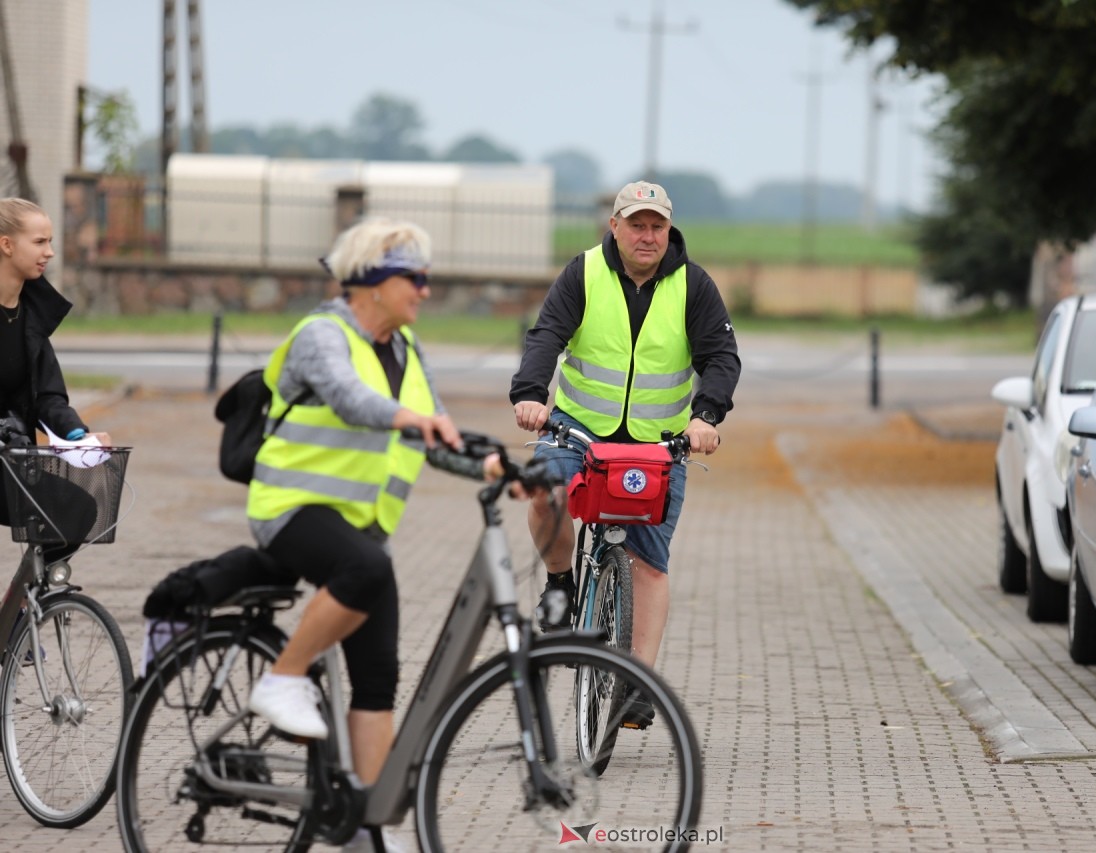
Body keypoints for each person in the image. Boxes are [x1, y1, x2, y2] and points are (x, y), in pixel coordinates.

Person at [244, 218, 505, 853]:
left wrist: (497, 469)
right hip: (291, 508)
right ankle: (282, 677)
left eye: (426, 278)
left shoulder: (408, 352)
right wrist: (412, 417)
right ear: (370, 282)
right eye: (413, 278)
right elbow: (349, 400)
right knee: (368, 570)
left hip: (360, 528)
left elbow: (433, 435)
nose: (425, 291)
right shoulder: (321, 334)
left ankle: (366, 830)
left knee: (379, 679)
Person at [510, 180, 741, 722]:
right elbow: (547, 336)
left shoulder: (693, 286)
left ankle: (639, 684)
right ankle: (561, 585)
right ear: (614, 226)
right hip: (579, 430)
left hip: (658, 445)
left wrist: (706, 416)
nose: (647, 235)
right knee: (543, 490)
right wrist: (529, 395)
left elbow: (721, 357)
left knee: (649, 564)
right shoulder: (583, 273)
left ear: (669, 231)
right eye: (636, 224)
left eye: (657, 226)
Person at [0, 197, 112, 560]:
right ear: (6, 245)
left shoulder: (32, 316)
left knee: (78, 510)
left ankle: (24, 607)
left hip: (10, 457)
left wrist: (80, 436)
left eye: (50, 242)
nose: (49, 252)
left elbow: (48, 396)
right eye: (39, 242)